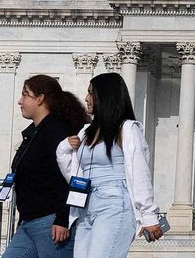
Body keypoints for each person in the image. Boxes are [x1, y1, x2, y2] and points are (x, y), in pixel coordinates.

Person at [56, 73, 162, 258]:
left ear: (105, 97)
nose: (86, 98)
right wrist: (63, 149)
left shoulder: (128, 129)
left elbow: (140, 173)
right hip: (85, 206)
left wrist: (149, 215)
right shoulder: (86, 131)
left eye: (91, 93)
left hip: (114, 203)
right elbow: (73, 175)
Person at [1, 75, 89, 258]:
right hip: (27, 222)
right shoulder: (33, 133)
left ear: (40, 99)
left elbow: (71, 176)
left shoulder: (56, 131)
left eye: (25, 95)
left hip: (51, 222)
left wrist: (63, 218)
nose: (20, 101)